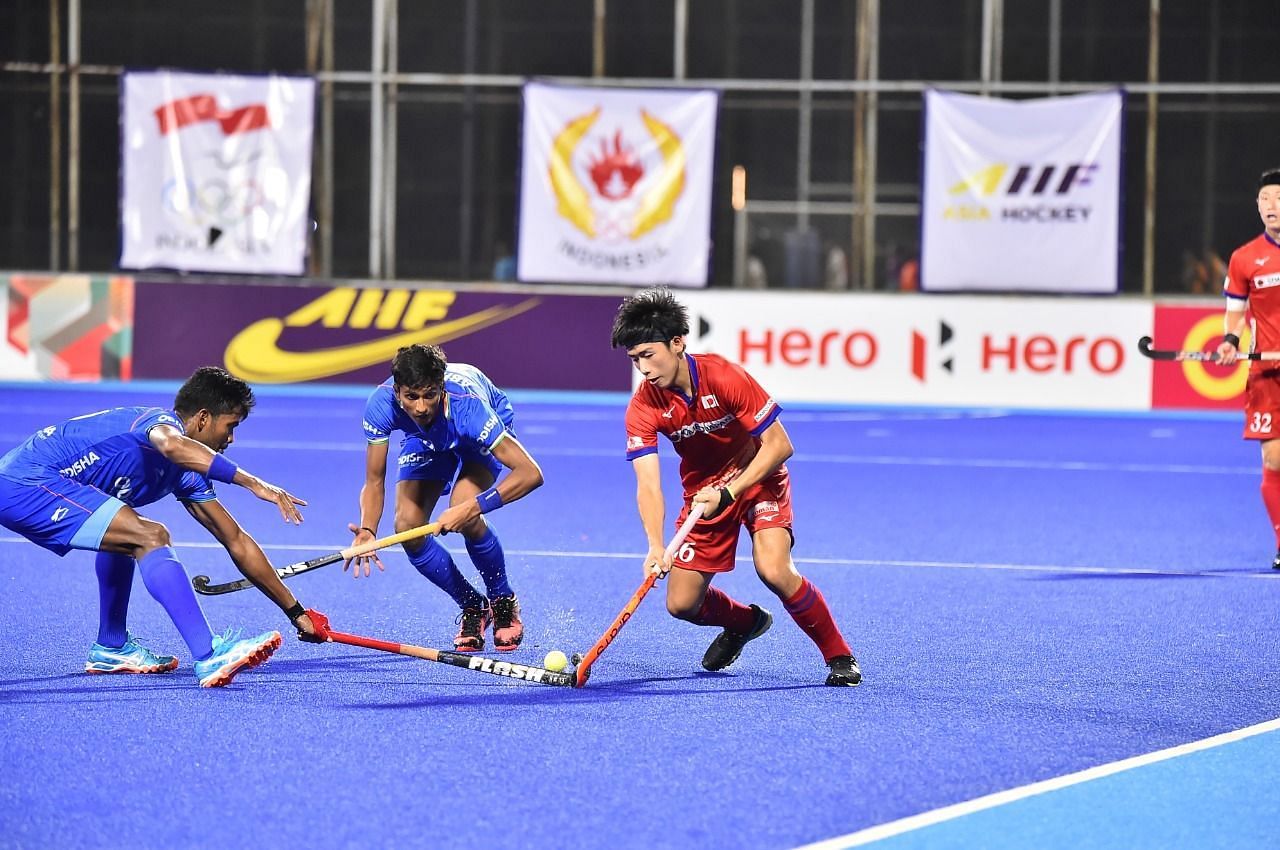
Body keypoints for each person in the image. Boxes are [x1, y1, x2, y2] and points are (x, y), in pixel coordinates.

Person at [0, 366, 325, 688]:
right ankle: (209, 653)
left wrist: (295, 612)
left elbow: (236, 540)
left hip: (31, 484)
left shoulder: (188, 473)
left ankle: (111, 647)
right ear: (202, 418)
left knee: (126, 533)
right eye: (230, 426)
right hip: (28, 482)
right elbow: (172, 446)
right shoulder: (160, 425)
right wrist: (252, 482)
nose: (231, 438)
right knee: (149, 535)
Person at [610, 288, 861, 686]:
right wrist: (655, 545)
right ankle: (746, 622)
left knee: (774, 569)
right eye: (634, 359)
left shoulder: (723, 375)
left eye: (648, 354)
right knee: (681, 604)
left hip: (758, 478)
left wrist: (729, 491)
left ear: (678, 343)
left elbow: (780, 445)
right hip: (704, 496)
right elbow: (648, 484)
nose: (643, 367)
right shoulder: (643, 406)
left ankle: (839, 656)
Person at [345, 344, 544, 652]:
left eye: (430, 395)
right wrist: (368, 529)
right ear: (397, 392)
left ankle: (503, 599)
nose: (421, 407)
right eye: (412, 397)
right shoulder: (380, 405)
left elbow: (530, 473)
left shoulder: (470, 409)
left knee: (465, 513)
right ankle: (473, 607)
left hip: (473, 436)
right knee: (407, 526)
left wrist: (473, 507)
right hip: (424, 439)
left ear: (442, 389)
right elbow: (374, 480)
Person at [1218, 167, 1280, 570]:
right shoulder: (1244, 258)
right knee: (1274, 461)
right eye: (1266, 200)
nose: (1272, 206)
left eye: (1278, 198)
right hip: (1268, 374)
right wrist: (1230, 342)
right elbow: (1235, 315)